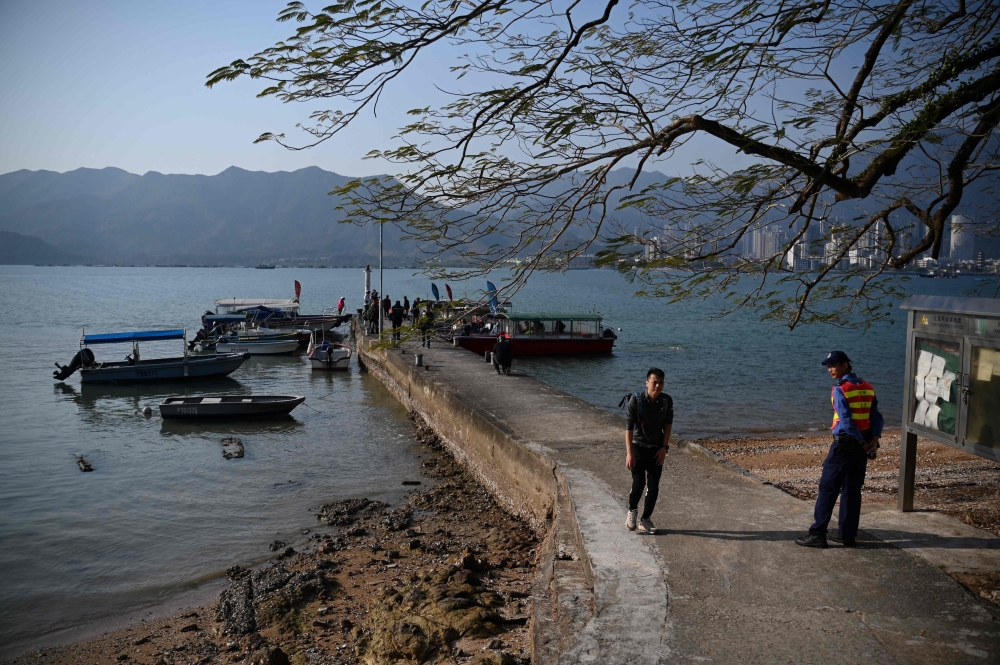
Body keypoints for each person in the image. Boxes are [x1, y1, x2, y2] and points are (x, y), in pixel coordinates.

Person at [795, 351, 883, 549]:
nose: (830, 369)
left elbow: (845, 420)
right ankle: (847, 535)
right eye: (828, 366)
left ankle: (817, 533)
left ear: (845, 365)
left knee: (828, 488)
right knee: (852, 490)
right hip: (864, 444)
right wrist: (874, 440)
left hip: (845, 445)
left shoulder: (840, 389)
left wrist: (860, 442)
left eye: (833, 365)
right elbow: (876, 417)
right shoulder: (867, 387)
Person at [625, 368, 673, 534]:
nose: (658, 385)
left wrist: (664, 448)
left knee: (653, 486)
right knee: (639, 483)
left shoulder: (666, 401)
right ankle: (632, 511)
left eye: (661, 382)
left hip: (656, 448)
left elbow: (668, 427)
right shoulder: (636, 400)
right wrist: (629, 452)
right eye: (654, 382)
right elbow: (628, 429)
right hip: (638, 445)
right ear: (647, 382)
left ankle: (645, 519)